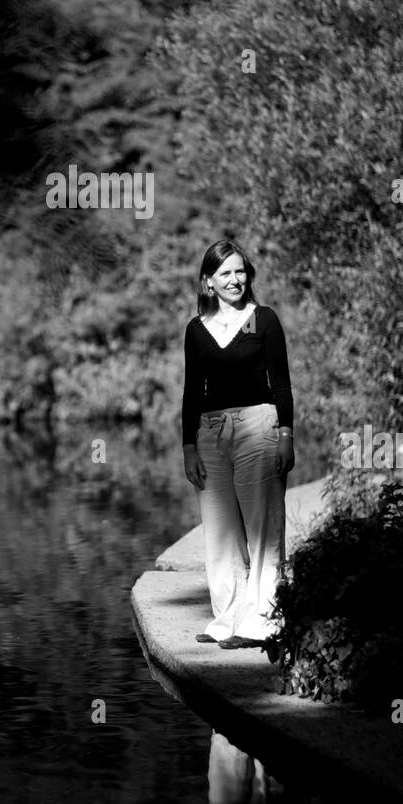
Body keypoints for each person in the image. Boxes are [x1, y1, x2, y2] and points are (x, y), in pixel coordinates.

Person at [181, 239, 294, 648]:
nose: (234, 280)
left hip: (258, 427)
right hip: (210, 434)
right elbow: (192, 390)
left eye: (240, 271)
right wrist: (188, 447)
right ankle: (228, 618)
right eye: (225, 273)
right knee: (221, 532)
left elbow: (281, 384)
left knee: (262, 528)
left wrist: (286, 436)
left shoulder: (263, 320)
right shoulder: (196, 329)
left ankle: (263, 621)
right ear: (208, 281)